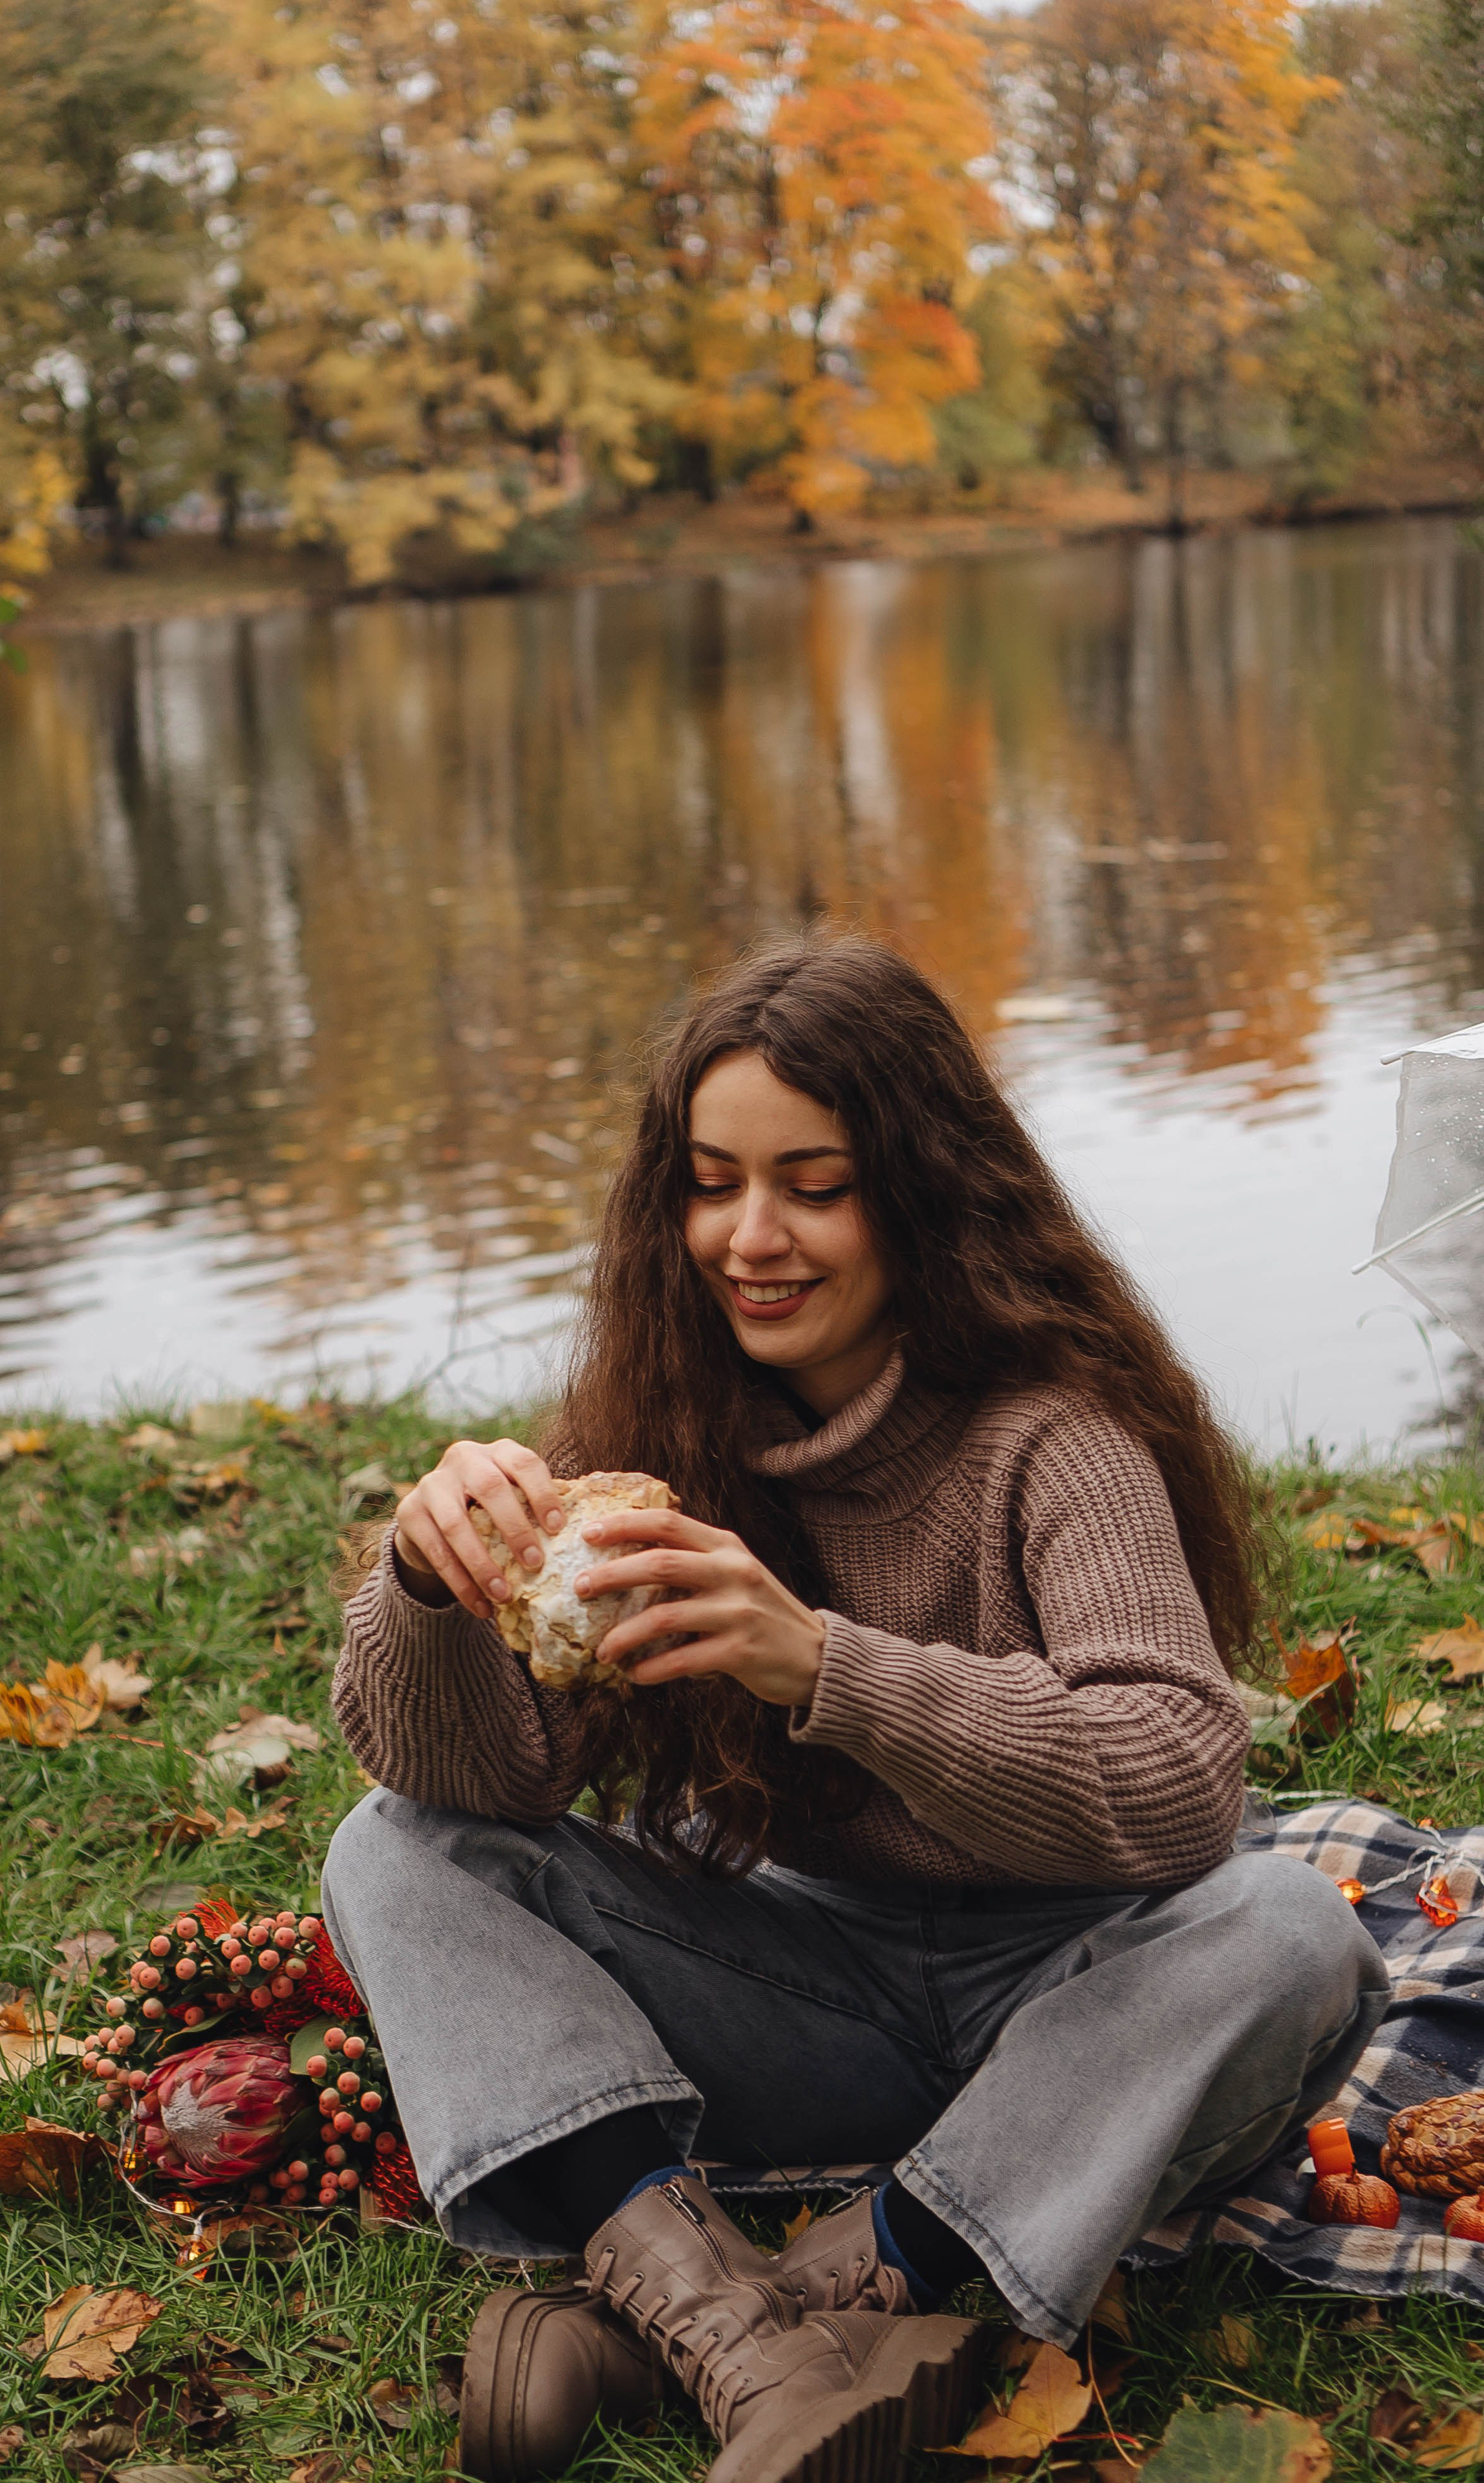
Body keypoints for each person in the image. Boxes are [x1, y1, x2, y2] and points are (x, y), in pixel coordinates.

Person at [322, 936, 1388, 2483]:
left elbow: (1173, 1785)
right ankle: (729, 2326)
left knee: (1293, 1935)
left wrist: (826, 1668)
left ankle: (819, 2293)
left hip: (1077, 2000)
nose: (749, 1236)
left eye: (811, 1185)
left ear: (919, 1189)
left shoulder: (1056, 1440)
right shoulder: (654, 1427)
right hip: (799, 1988)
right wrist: (426, 1592)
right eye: (710, 1181)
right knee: (391, 1850)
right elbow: (496, 1785)